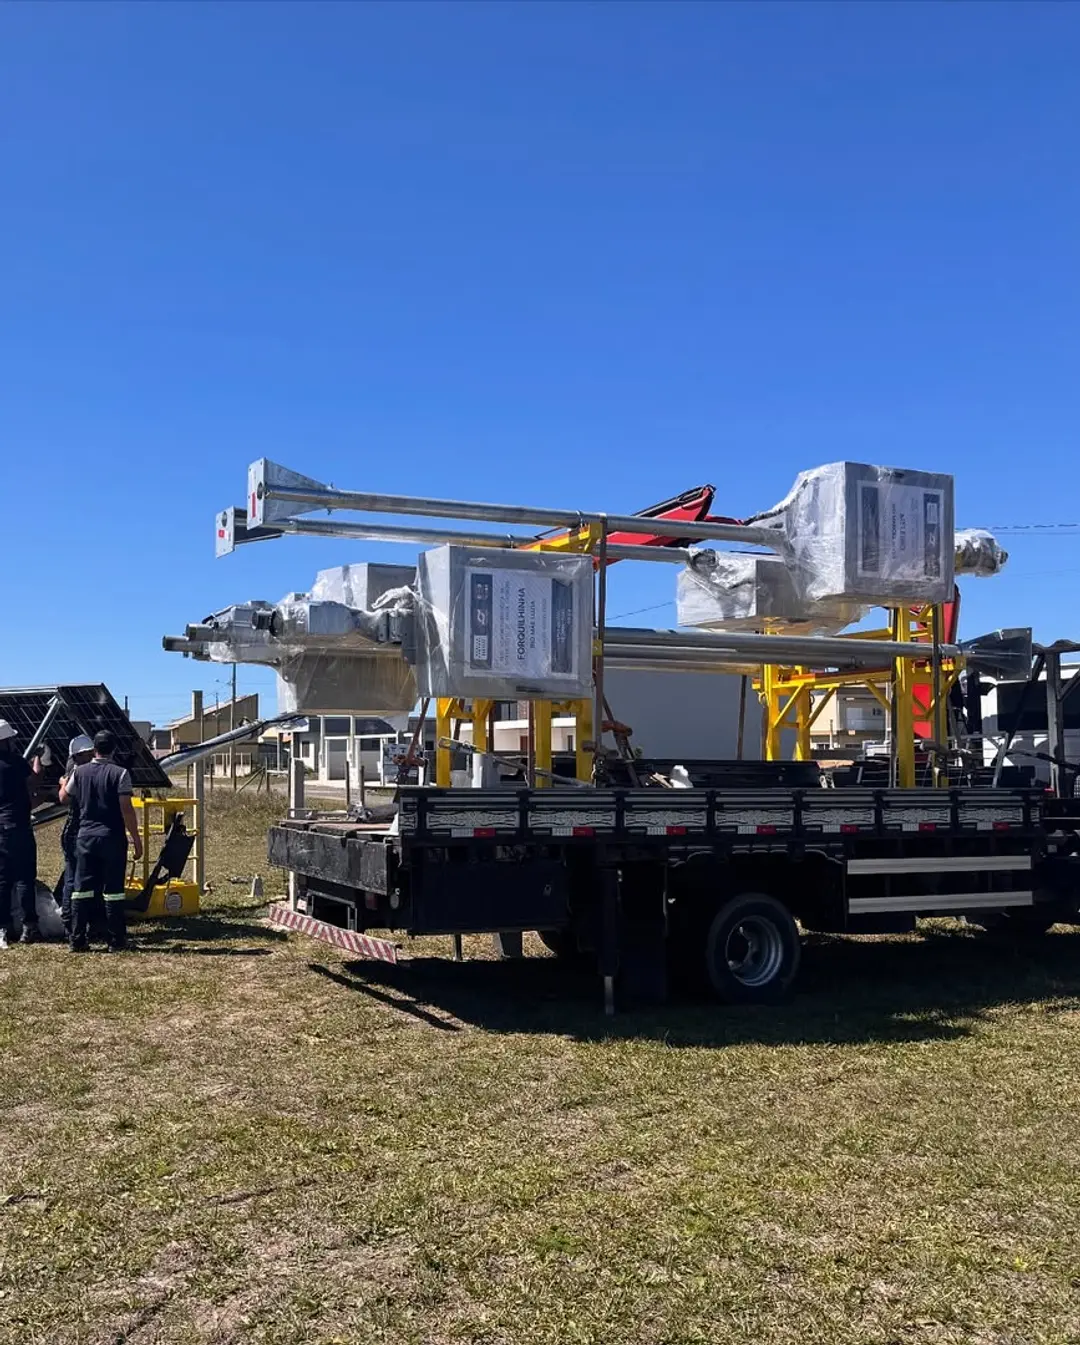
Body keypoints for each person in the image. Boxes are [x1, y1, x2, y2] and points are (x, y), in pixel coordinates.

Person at [59, 730, 143, 952]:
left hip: (84, 837)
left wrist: (62, 783)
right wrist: (136, 838)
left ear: (94, 749)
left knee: (81, 888)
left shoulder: (80, 772)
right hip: (112, 838)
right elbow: (126, 809)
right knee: (113, 890)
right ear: (113, 749)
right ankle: (116, 940)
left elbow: (64, 797)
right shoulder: (120, 774)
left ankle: (77, 940)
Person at [0, 719, 42, 948]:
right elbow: (33, 782)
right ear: (6, 741)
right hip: (18, 827)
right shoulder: (15, 762)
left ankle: (2, 929)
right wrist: (39, 757)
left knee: (2, 880)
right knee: (25, 878)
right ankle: (29, 927)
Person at [58, 734, 96, 936]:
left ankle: (70, 921)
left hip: (75, 830)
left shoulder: (73, 772)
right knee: (77, 878)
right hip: (81, 831)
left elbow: (63, 797)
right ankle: (75, 921)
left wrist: (62, 782)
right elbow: (63, 798)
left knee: (74, 877)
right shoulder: (86, 772)